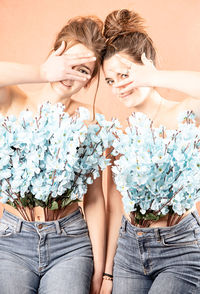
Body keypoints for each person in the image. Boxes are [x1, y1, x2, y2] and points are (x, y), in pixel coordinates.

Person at [0, 16, 106, 294]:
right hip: (12, 240)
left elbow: (95, 199)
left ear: (90, 80)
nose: (69, 75)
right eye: (66, 64)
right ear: (53, 56)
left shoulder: (91, 122)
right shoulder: (13, 102)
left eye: (81, 70)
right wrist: (42, 71)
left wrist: (101, 271)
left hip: (70, 244)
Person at [100, 9, 200, 294]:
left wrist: (156, 77)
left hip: (180, 248)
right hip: (130, 251)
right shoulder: (120, 135)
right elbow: (115, 207)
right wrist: (107, 274)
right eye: (110, 80)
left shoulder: (184, 115)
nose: (118, 86)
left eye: (125, 74)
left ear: (147, 67)